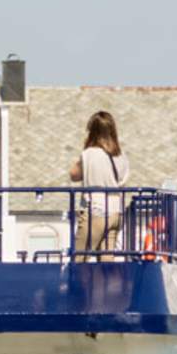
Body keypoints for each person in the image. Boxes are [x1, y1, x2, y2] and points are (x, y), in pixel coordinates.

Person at [66, 110, 129, 259]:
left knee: (79, 260)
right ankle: (107, 283)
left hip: (96, 210)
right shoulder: (121, 156)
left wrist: (84, 151)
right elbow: (123, 180)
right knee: (107, 262)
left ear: (92, 132)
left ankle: (76, 283)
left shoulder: (89, 154)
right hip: (116, 211)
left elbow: (74, 175)